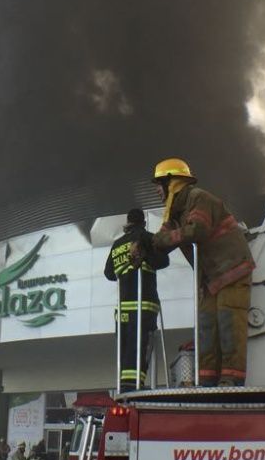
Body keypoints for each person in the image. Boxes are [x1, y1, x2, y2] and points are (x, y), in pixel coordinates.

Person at [138, 158, 254, 387]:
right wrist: (143, 247)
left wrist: (162, 239)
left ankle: (231, 380)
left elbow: (198, 230)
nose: (156, 191)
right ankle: (208, 380)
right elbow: (161, 241)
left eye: (158, 185)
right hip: (210, 279)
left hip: (232, 270)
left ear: (172, 183)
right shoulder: (175, 214)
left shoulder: (199, 199)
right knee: (207, 327)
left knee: (228, 324)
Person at [105, 208, 170, 392]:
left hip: (123, 309)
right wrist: (145, 257)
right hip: (143, 305)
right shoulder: (147, 238)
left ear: (128, 223)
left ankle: (124, 387)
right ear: (143, 223)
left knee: (125, 349)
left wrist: (124, 268)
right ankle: (134, 387)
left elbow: (109, 273)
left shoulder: (117, 244)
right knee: (141, 347)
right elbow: (162, 262)